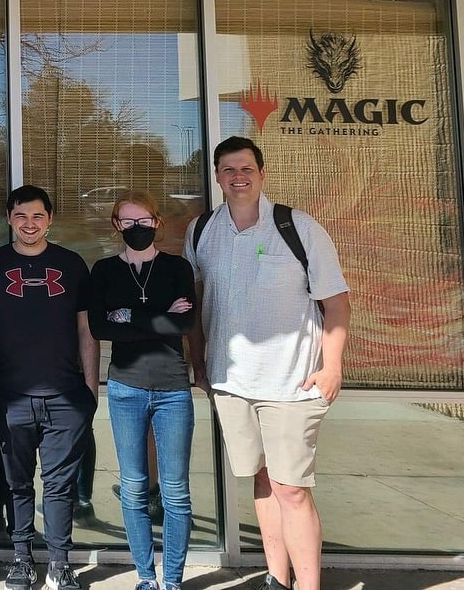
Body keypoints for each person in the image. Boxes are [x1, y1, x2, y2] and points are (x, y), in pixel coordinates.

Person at [185, 137, 351, 590]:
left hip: (293, 382)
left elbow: (336, 302)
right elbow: (196, 304)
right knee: (261, 478)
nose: (237, 177)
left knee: (291, 488)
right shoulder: (202, 230)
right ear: (217, 176)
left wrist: (332, 366)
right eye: (228, 169)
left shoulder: (298, 227)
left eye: (246, 169)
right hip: (231, 382)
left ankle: (308, 585)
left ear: (262, 173)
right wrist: (200, 363)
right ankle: (277, 578)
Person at [0, 185, 97, 590]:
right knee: (17, 482)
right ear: (9, 218)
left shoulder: (71, 264)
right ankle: (21, 558)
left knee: (60, 485)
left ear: (50, 218)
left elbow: (86, 329)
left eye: (37, 216)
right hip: (10, 395)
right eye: (20, 216)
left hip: (65, 396)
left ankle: (59, 563)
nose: (29, 224)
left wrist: (89, 388)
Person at [86, 191, 197, 590]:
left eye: (144, 221)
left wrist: (128, 315)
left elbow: (184, 325)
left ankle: (173, 580)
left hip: (172, 389)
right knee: (133, 488)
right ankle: (146, 578)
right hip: (125, 388)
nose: (137, 228)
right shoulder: (104, 270)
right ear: (117, 225)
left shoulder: (177, 268)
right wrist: (160, 316)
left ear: (157, 222)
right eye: (129, 222)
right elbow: (100, 327)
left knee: (176, 492)